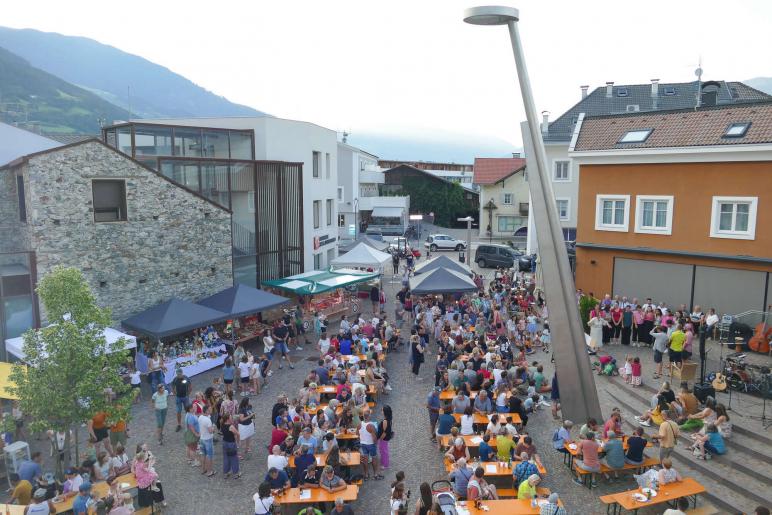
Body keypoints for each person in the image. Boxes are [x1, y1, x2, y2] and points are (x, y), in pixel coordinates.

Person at [359, 411, 382, 480]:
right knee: (374, 458)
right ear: (369, 416)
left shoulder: (359, 424)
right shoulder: (371, 426)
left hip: (363, 444)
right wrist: (375, 444)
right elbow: (374, 437)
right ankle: (375, 474)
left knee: (365, 460)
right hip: (371, 444)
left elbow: (357, 434)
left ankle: (366, 475)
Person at [222, 413, 241, 479]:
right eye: (230, 417)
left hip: (224, 442)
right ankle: (236, 473)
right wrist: (238, 443)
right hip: (231, 444)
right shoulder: (231, 426)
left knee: (226, 458)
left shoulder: (222, 424)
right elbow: (238, 434)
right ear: (227, 419)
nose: (232, 418)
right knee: (234, 458)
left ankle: (226, 472)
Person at [379, 405, 394, 469]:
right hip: (386, 438)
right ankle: (384, 462)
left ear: (385, 412)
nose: (381, 411)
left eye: (382, 410)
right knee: (384, 450)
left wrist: (380, 438)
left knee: (384, 451)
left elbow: (385, 432)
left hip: (384, 438)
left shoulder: (385, 421)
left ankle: (385, 465)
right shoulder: (389, 419)